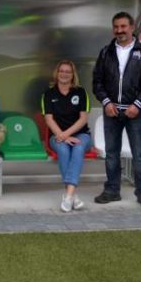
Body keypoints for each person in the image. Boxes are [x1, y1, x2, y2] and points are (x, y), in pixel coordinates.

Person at [92, 11, 141, 209]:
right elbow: (97, 82)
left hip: (135, 112)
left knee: (139, 154)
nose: (119, 31)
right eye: (116, 27)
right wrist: (106, 102)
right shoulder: (106, 52)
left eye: (123, 26)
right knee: (112, 153)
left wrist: (137, 105)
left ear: (132, 28)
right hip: (111, 111)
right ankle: (112, 190)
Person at [42, 60, 93, 212]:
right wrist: (63, 136)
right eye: (61, 71)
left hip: (82, 135)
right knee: (63, 150)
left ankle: (68, 195)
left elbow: (83, 118)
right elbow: (48, 119)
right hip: (56, 136)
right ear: (57, 74)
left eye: (68, 72)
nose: (64, 74)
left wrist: (66, 135)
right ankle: (72, 195)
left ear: (73, 75)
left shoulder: (81, 92)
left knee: (77, 148)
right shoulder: (48, 94)